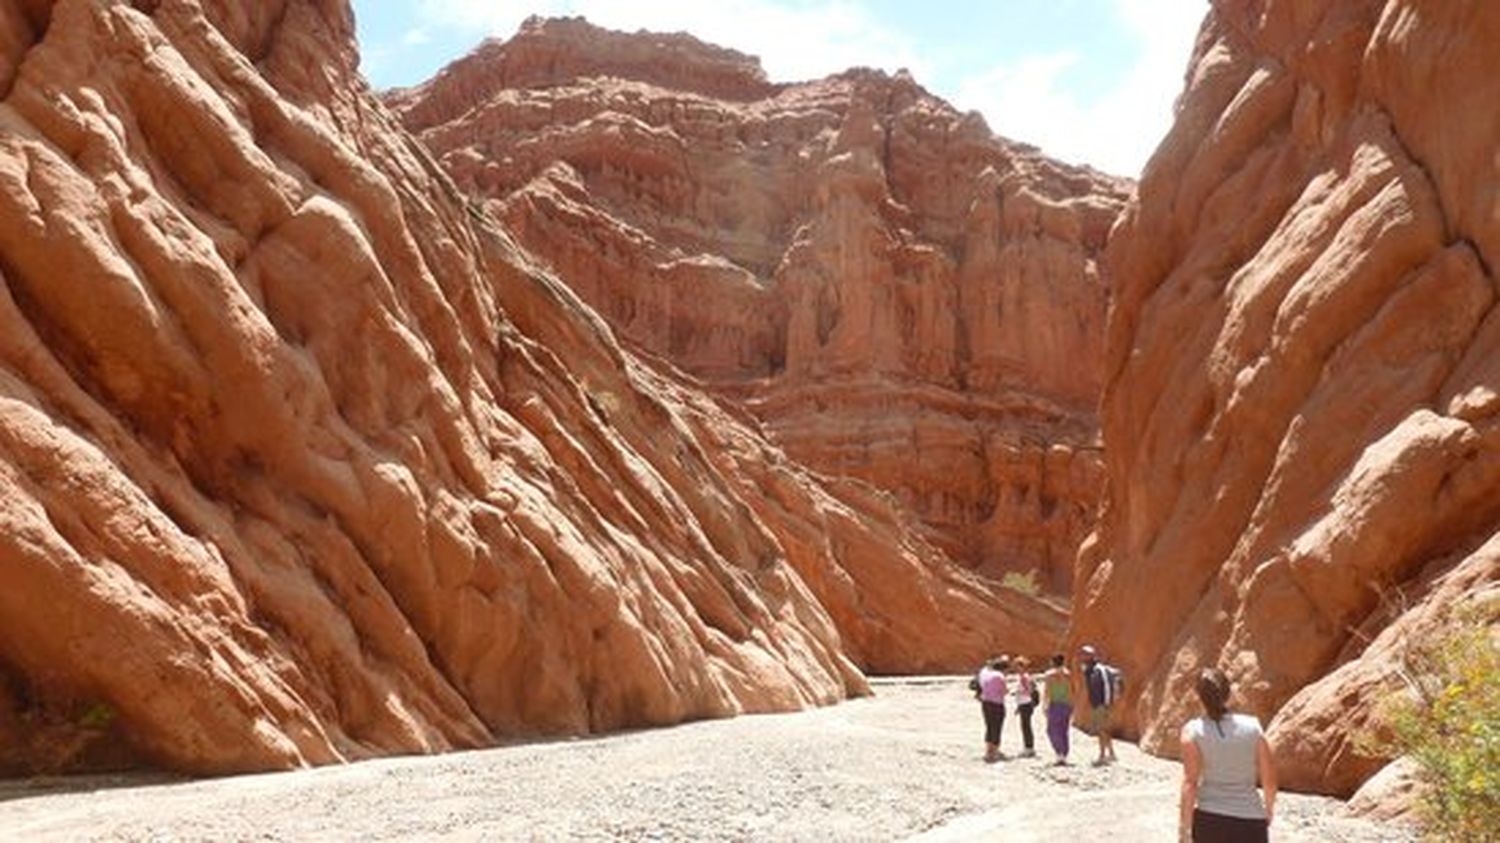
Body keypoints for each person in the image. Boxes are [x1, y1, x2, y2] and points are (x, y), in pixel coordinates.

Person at [1179, 667, 1277, 842]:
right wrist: (1268, 809)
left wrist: (1184, 828)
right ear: (1228, 694)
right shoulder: (1253, 727)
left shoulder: (1192, 731)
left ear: (1198, 697)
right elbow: (1268, 776)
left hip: (1209, 819)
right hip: (1250, 819)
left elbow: (1190, 783)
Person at [1080, 644, 1117, 765]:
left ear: (1089, 656)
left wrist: (1106, 704)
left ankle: (1102, 756)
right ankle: (1111, 753)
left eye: (1084, 654)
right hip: (1098, 704)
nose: (1081, 656)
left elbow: (1106, 686)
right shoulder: (1090, 670)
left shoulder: (1099, 670)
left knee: (1101, 730)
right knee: (1104, 729)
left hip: (1101, 704)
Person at [974, 655, 1010, 762]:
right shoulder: (1000, 676)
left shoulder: (984, 672)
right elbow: (1004, 691)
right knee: (997, 727)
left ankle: (988, 750)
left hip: (985, 703)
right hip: (997, 704)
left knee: (989, 726)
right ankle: (994, 752)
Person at [1039, 653, 1072, 765]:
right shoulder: (1069, 674)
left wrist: (1044, 705)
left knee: (1051, 730)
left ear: (1053, 662)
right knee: (1064, 730)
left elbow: (1047, 691)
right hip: (1067, 704)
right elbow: (1073, 690)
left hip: (1055, 704)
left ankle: (1059, 753)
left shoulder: (1049, 675)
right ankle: (1064, 753)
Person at [1013, 656, 1038, 757]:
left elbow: (1029, 690)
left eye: (1017, 666)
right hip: (1024, 704)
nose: (1015, 668)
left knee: (1026, 726)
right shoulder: (1025, 677)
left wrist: (1018, 692)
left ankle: (1029, 748)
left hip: (1026, 703)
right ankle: (1028, 747)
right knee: (1026, 726)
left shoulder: (1024, 677)